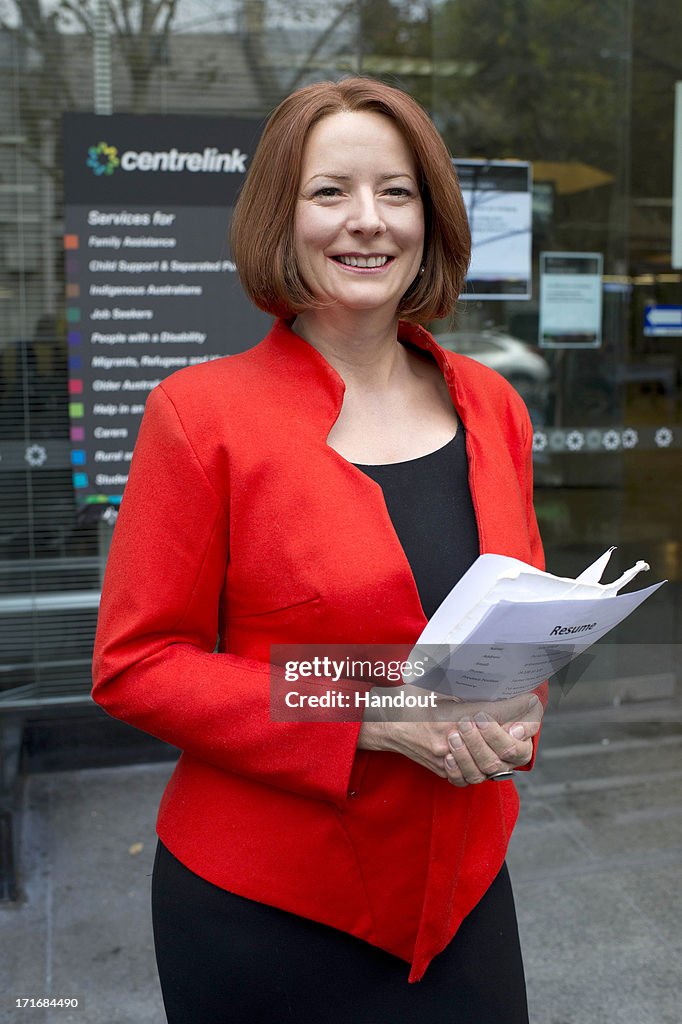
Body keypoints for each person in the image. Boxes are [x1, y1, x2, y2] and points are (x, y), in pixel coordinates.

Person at [92, 76, 545, 1024]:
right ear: (281, 218)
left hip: (462, 892)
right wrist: (370, 710)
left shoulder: (493, 405)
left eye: (396, 191)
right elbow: (136, 665)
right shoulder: (199, 417)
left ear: (431, 215)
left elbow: (517, 614)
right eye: (329, 192)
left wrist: (517, 706)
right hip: (266, 911)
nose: (367, 222)